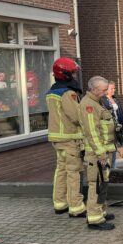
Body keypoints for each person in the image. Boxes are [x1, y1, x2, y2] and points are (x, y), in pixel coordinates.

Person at [46, 57, 85, 218]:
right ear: (66, 74)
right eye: (72, 73)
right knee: (73, 172)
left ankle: (60, 203)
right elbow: (75, 116)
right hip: (70, 138)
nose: (74, 76)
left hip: (57, 138)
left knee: (61, 170)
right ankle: (76, 207)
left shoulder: (52, 92)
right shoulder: (68, 93)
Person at [78, 76, 117, 230]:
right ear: (94, 89)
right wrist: (101, 153)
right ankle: (94, 219)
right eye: (103, 90)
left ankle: (101, 211)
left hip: (103, 151)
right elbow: (92, 132)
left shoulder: (96, 102)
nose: (106, 92)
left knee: (102, 183)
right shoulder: (88, 105)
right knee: (96, 185)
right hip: (96, 154)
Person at [101, 82, 123, 167]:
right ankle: (109, 167)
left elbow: (120, 112)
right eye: (112, 88)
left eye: (114, 88)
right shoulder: (103, 100)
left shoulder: (115, 99)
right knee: (110, 149)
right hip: (109, 128)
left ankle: (113, 166)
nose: (114, 90)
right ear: (106, 89)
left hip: (117, 127)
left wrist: (122, 123)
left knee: (115, 147)